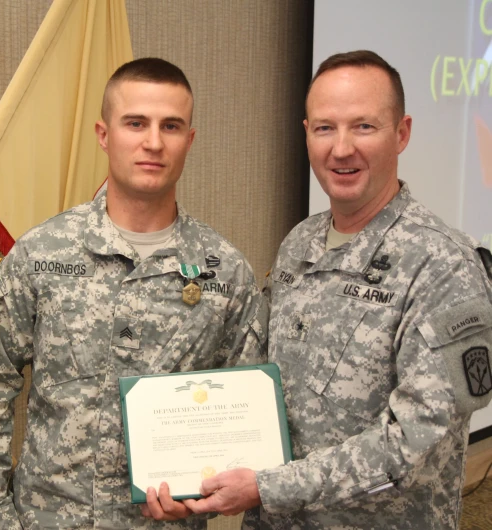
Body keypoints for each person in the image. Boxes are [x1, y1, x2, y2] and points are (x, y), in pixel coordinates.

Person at [146, 50, 492, 529]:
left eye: (364, 127)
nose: (341, 148)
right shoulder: (299, 244)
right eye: (325, 128)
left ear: (403, 133)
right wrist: (186, 468)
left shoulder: (444, 265)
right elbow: (259, 377)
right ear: (307, 133)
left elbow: (416, 439)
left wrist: (268, 487)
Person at [0, 57, 267, 529]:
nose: (153, 142)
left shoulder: (226, 275)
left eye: (171, 126)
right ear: (104, 135)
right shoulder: (41, 254)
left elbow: (246, 422)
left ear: (189, 140)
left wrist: (205, 494)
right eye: (135, 123)